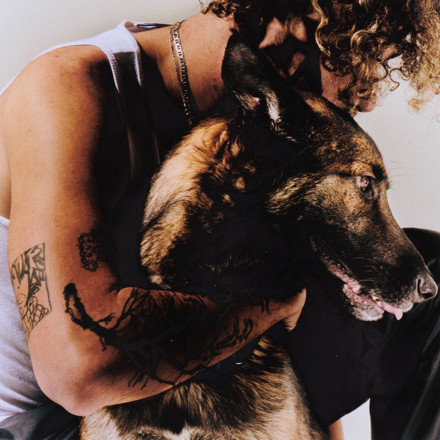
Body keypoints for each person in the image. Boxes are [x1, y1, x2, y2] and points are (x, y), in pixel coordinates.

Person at [0, 0, 439, 439]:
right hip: (49, 423)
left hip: (187, 396)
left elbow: (290, 347)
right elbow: (77, 372)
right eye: (365, 65)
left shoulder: (252, 129)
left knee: (424, 267)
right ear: (298, 27)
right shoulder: (68, 88)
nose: (367, 98)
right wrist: (275, 305)